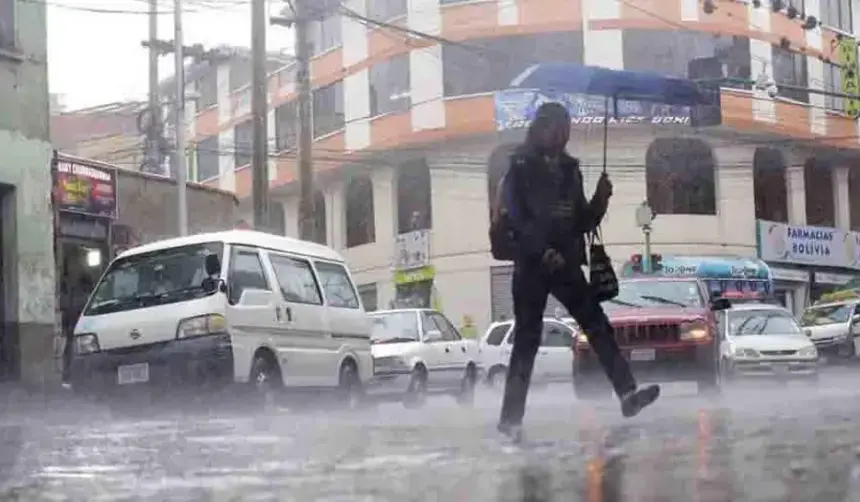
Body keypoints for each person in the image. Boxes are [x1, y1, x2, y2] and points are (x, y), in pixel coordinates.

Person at [497, 102, 659, 441]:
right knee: (527, 339)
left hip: (567, 264)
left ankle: (628, 394)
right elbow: (515, 218)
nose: (563, 134)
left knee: (597, 325)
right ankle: (510, 419)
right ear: (541, 129)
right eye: (557, 126)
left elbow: (581, 222)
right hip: (531, 265)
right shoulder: (520, 167)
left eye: (566, 127)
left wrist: (600, 201)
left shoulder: (571, 170)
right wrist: (542, 252)